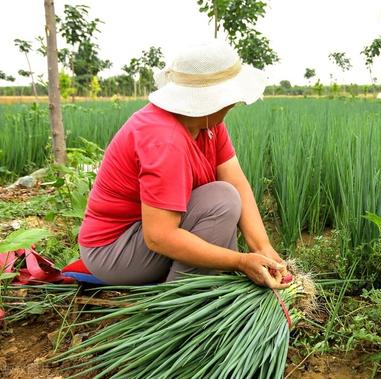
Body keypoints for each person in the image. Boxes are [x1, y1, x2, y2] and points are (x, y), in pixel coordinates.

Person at [77, 41, 289, 289]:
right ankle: (178, 306)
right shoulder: (164, 138)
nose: (234, 104)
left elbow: (236, 180)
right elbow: (159, 237)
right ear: (210, 99)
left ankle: (201, 286)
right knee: (221, 201)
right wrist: (241, 261)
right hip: (115, 250)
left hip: (146, 235)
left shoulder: (207, 124)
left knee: (226, 195)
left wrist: (262, 247)